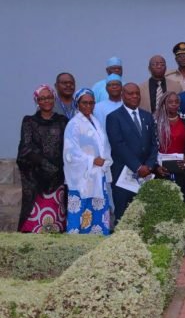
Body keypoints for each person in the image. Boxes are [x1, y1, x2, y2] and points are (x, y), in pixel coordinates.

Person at [16, 85, 69, 233]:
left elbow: (68, 146)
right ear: (37, 101)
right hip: (36, 178)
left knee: (56, 219)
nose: (46, 101)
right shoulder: (29, 121)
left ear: (54, 99)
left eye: (49, 97)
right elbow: (25, 147)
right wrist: (45, 164)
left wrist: (56, 168)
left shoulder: (62, 121)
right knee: (35, 224)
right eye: (42, 98)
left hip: (58, 177)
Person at [106, 83, 158, 224]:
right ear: (123, 95)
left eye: (137, 93)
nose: (135, 96)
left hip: (145, 175)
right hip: (123, 175)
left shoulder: (147, 116)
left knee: (144, 215)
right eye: (130, 93)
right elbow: (118, 145)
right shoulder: (114, 117)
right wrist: (137, 167)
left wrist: (148, 165)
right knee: (123, 215)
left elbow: (154, 144)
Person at [63, 88, 113, 235]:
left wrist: (104, 161)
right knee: (80, 210)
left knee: (99, 210)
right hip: (81, 178)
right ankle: (76, 243)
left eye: (91, 103)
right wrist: (92, 160)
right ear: (77, 104)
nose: (88, 106)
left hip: (98, 175)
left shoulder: (96, 122)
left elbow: (105, 146)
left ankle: (98, 241)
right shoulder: (74, 124)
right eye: (84, 103)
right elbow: (70, 153)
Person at [154, 92, 185, 197]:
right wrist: (156, 166)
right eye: (170, 102)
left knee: (181, 199)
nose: (174, 104)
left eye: (177, 102)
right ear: (163, 104)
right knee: (164, 200)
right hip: (161, 168)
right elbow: (151, 145)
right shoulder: (155, 121)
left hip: (181, 166)